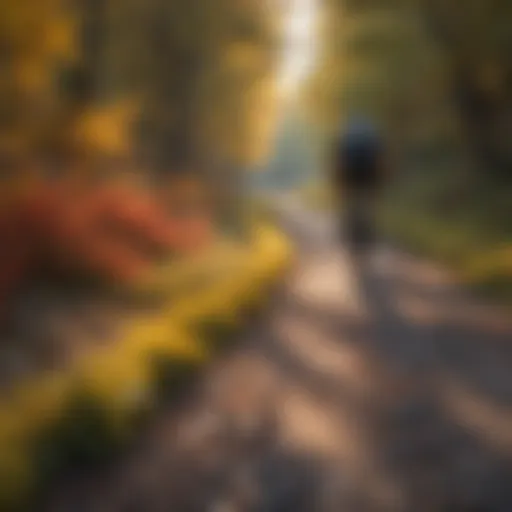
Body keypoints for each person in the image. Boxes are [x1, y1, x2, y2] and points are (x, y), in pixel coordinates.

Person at [331, 116, 388, 252]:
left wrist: (339, 178)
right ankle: (367, 230)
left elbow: (339, 159)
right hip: (368, 173)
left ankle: (350, 229)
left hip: (350, 173)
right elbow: (380, 157)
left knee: (350, 200)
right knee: (367, 201)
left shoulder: (347, 137)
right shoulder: (371, 137)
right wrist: (380, 175)